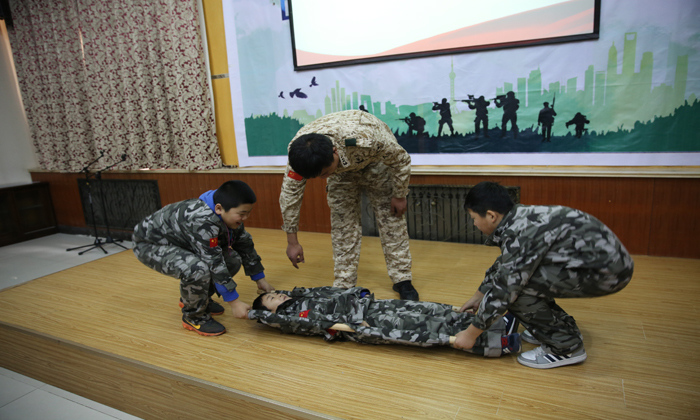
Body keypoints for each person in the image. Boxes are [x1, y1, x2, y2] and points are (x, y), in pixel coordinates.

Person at [453, 181, 634, 369]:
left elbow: (506, 289)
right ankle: (562, 331)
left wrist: (470, 334)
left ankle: (565, 347)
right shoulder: (520, 217)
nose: (474, 223)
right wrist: (478, 296)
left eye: (473, 217)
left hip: (607, 274)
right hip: (604, 264)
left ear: (491, 216)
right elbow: (505, 264)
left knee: (516, 290)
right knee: (516, 277)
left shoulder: (520, 232)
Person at [280, 110, 419, 301]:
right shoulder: (299, 155)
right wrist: (292, 241)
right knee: (343, 226)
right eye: (318, 177)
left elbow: (401, 159)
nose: (323, 179)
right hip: (341, 173)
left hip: (375, 161)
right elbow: (290, 196)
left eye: (325, 173)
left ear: (335, 151)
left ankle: (402, 279)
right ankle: (344, 284)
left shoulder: (368, 138)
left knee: (391, 220)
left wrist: (399, 194)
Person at [132, 180, 275, 337]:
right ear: (219, 208)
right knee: (196, 269)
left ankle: (199, 299)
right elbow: (213, 261)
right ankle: (194, 316)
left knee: (232, 259)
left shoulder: (226, 208)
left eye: (248, 212)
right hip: (150, 245)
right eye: (242, 214)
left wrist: (259, 279)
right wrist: (234, 302)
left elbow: (244, 243)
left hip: (180, 242)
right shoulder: (202, 219)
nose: (246, 218)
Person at [249, 286, 521, 357]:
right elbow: (266, 317)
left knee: (426, 310)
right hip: (360, 325)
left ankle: (494, 319)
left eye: (275, 292)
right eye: (272, 298)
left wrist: (358, 295)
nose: (278, 295)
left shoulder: (302, 295)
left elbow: (331, 291)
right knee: (424, 330)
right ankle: (498, 341)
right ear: (270, 312)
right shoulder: (290, 318)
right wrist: (252, 312)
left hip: (370, 306)